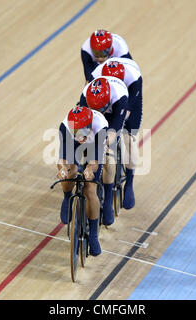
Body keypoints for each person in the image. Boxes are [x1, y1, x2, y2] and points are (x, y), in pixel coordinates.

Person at [89, 58, 143, 209]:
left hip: (124, 103)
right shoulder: (95, 76)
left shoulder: (133, 78)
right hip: (104, 101)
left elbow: (125, 112)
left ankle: (130, 183)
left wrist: (110, 137)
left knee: (128, 138)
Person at [57, 105, 108, 256]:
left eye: (81, 132)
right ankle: (67, 198)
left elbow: (94, 162)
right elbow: (62, 160)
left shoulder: (100, 127)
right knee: (69, 171)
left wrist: (89, 169)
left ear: (89, 126)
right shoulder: (65, 127)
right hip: (74, 145)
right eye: (75, 132)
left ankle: (93, 234)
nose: (78, 135)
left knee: (90, 189)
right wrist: (62, 169)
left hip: (94, 145)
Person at [79, 76, 129, 226]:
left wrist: (105, 144)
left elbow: (113, 132)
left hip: (113, 117)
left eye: (100, 108)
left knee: (108, 155)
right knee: (86, 145)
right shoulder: (84, 96)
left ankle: (108, 200)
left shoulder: (120, 98)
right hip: (93, 119)